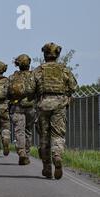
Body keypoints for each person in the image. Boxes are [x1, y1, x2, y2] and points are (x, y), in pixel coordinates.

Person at [33, 43, 78, 179]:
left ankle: (47, 168)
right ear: (57, 55)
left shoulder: (39, 70)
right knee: (58, 134)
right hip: (59, 104)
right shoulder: (64, 70)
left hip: (43, 104)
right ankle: (57, 156)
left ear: (45, 55)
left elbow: (29, 88)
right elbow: (74, 86)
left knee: (44, 136)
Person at [9, 54, 36, 166]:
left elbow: (7, 93)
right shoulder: (34, 76)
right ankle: (27, 154)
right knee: (28, 131)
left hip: (17, 107)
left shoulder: (12, 77)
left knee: (19, 131)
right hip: (30, 107)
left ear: (17, 64)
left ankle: (21, 152)